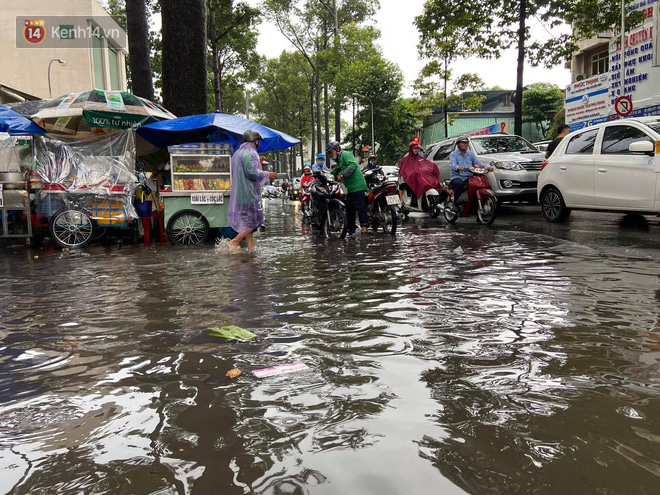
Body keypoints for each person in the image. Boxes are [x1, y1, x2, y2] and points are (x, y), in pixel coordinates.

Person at [227, 130, 278, 252]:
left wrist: (257, 163)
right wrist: (268, 173)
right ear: (255, 141)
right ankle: (235, 241)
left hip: (240, 194)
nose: (259, 143)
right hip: (249, 194)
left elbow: (246, 169)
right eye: (259, 141)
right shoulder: (251, 153)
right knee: (256, 220)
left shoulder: (239, 153)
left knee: (247, 221)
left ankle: (251, 247)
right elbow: (251, 173)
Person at [326, 141, 369, 235]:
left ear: (337, 149)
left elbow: (353, 164)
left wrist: (342, 175)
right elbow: (333, 172)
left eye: (330, 152)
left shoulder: (346, 154)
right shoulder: (339, 162)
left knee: (359, 206)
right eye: (328, 153)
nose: (330, 155)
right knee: (349, 209)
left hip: (358, 186)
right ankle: (351, 229)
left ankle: (364, 227)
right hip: (350, 189)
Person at [449, 135, 493, 210]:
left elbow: (478, 162)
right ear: (458, 144)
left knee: (481, 183)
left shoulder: (470, 154)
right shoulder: (453, 154)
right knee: (460, 184)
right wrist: (458, 167)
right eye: (463, 143)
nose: (465, 144)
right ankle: (456, 203)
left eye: (466, 143)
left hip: (469, 176)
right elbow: (452, 165)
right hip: (457, 176)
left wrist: (487, 167)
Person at [398, 140, 438, 206]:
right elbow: (404, 168)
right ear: (411, 149)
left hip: (418, 175)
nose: (416, 150)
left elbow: (425, 165)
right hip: (408, 176)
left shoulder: (420, 157)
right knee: (409, 180)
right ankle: (409, 198)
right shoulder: (406, 158)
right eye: (414, 149)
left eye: (417, 149)